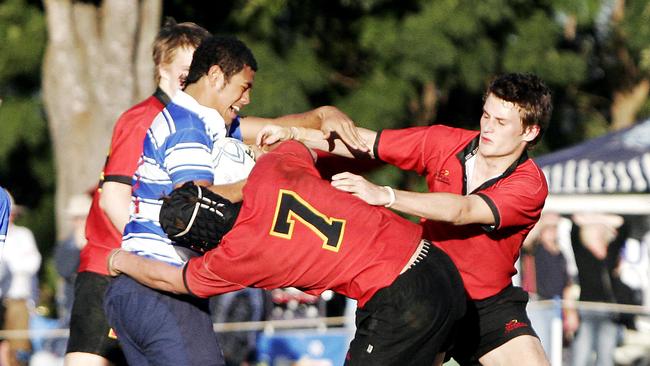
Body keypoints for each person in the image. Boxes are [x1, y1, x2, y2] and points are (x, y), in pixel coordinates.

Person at [103, 34, 366, 366]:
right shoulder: (190, 126)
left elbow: (274, 128)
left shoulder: (207, 123)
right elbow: (192, 208)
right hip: (161, 291)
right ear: (215, 77)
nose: (247, 98)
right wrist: (264, 181)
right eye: (243, 87)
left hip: (141, 289)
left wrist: (323, 115)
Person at [258, 72, 553, 365]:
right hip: (429, 291)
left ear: (530, 132)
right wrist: (295, 135)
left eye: (501, 123)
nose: (487, 127)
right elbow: (365, 142)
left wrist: (386, 195)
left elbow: (462, 210)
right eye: (486, 115)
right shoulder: (444, 142)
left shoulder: (529, 185)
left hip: (487, 303)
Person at [106, 139, 467, 365]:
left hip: (401, 299)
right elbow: (300, 145)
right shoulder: (272, 169)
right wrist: (260, 152)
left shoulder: (235, 255)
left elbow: (173, 280)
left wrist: (119, 259)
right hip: (436, 265)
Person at [64, 18, 211, 366]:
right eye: (187, 69)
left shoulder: (194, 123)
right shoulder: (146, 118)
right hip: (113, 269)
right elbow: (113, 197)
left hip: (150, 275)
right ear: (162, 67)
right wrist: (151, 260)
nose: (194, 79)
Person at [566, 213, 626, 366]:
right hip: (587, 309)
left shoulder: (611, 252)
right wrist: (594, 219)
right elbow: (574, 226)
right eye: (593, 230)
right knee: (581, 356)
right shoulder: (582, 253)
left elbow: (624, 226)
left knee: (606, 358)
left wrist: (601, 219)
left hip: (609, 310)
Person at [0, 192, 42, 366]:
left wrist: (12, 266)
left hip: (17, 300)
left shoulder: (23, 235)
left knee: (18, 349)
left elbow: (32, 263)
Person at [54, 194, 92, 330]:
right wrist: (78, 248)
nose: (80, 222)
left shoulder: (99, 243)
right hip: (73, 301)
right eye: (77, 218)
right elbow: (64, 270)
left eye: (83, 217)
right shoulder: (66, 245)